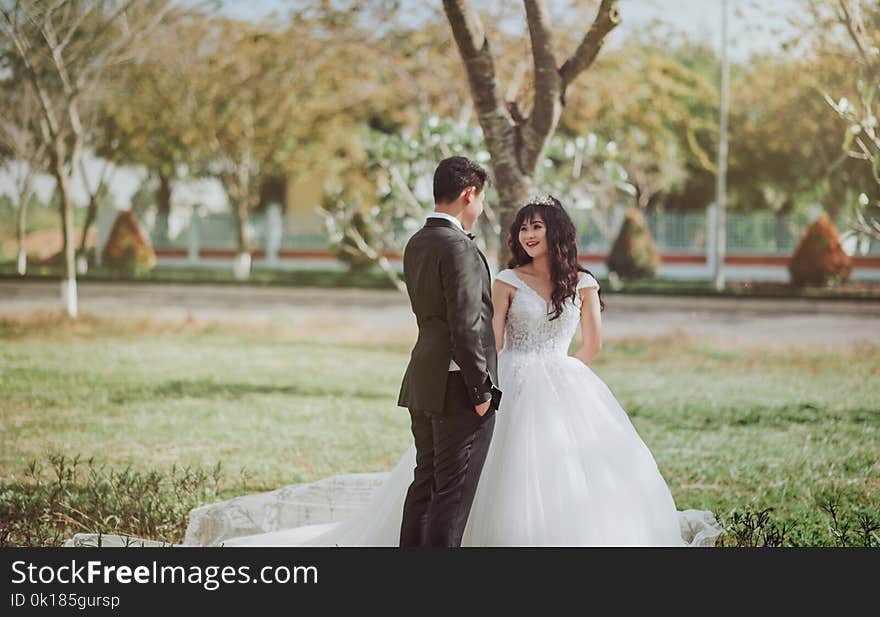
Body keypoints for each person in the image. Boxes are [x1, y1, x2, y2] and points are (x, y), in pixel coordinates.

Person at [64, 195, 722, 548]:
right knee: (479, 481)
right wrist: (501, 383)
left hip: (564, 382)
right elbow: (487, 340)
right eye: (521, 227)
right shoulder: (505, 280)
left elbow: (595, 346)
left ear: (558, 232)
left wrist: (560, 375)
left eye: (537, 228)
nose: (527, 236)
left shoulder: (583, 282)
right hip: (509, 378)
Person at [396, 155, 502, 547]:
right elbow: (466, 325)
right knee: (451, 501)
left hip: (422, 381)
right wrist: (481, 393)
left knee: (425, 486)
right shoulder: (458, 247)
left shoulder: (417, 242)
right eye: (481, 198)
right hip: (457, 388)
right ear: (469, 194)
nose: (481, 207)